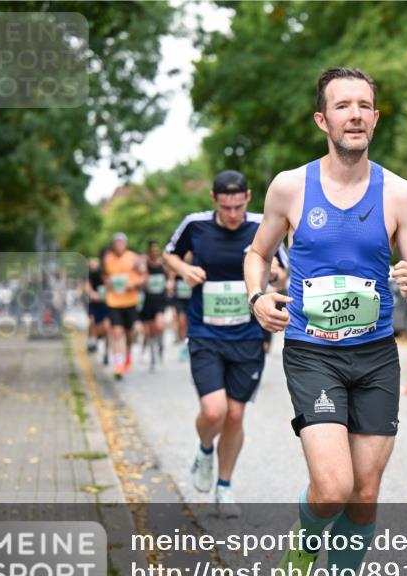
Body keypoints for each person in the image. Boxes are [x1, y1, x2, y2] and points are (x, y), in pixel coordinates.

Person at [245, 67, 407, 576]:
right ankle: (303, 546)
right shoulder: (289, 187)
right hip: (312, 354)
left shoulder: (400, 193)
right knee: (333, 487)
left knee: (365, 493)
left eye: (365, 105)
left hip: (376, 357)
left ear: (377, 117)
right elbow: (258, 252)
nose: (355, 114)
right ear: (323, 120)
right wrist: (257, 298)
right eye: (343, 105)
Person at [164, 170, 289, 518]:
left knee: (235, 415)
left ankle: (224, 486)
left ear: (248, 197)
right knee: (214, 410)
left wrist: (276, 275)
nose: (233, 215)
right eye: (225, 207)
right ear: (213, 200)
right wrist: (183, 270)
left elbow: (280, 269)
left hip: (248, 334)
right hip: (205, 331)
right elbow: (168, 254)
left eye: (238, 206)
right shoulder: (196, 225)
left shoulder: (262, 225)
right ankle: (205, 450)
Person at [102, 233, 145, 378]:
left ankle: (128, 354)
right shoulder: (108, 259)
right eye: (116, 243)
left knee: (130, 333)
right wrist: (108, 283)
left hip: (130, 301)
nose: (119, 245)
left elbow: (143, 276)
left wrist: (134, 284)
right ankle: (118, 363)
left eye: (121, 243)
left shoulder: (133, 257)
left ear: (125, 244)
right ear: (113, 245)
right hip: (114, 301)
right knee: (116, 332)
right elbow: (105, 277)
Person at [140, 240, 170, 370]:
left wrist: (170, 284)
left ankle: (161, 344)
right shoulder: (145, 264)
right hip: (148, 301)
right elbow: (140, 278)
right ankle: (152, 355)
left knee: (159, 325)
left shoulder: (163, 264)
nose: (154, 252)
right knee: (149, 331)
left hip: (160, 300)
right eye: (152, 250)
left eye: (156, 250)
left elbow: (171, 277)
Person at [85, 255, 110, 359]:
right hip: (95, 304)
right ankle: (92, 340)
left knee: (107, 327)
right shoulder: (94, 274)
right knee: (92, 320)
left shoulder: (112, 273)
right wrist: (92, 294)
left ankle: (106, 352)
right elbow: (87, 285)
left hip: (107, 304)